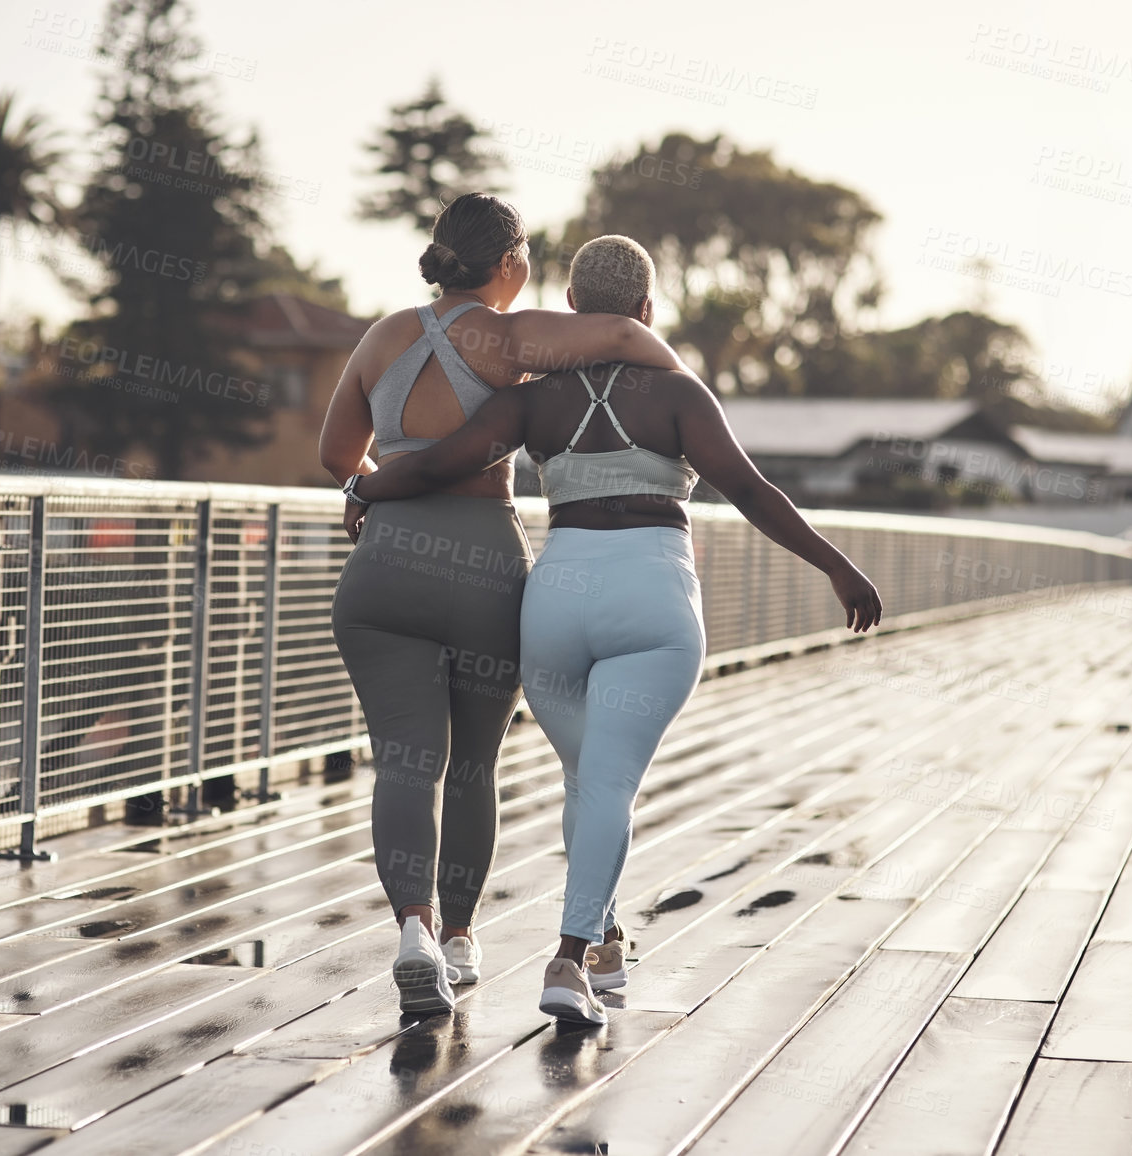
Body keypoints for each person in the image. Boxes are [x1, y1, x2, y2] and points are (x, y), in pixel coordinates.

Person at [345, 235, 882, 1024]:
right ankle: (568, 959)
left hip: (555, 601)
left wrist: (368, 490)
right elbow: (750, 489)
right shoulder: (677, 394)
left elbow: (436, 464)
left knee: (586, 780)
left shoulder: (532, 400)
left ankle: (601, 940)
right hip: (651, 598)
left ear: (569, 308)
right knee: (607, 785)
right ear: (645, 310)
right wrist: (836, 565)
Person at [320, 197, 699, 1017]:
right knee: (470, 765)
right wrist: (678, 386)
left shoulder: (381, 334)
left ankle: (412, 930)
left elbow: (332, 454)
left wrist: (371, 481)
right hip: (481, 567)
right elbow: (628, 340)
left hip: (382, 566)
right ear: (507, 264)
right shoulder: (509, 336)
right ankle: (460, 940)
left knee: (402, 761)